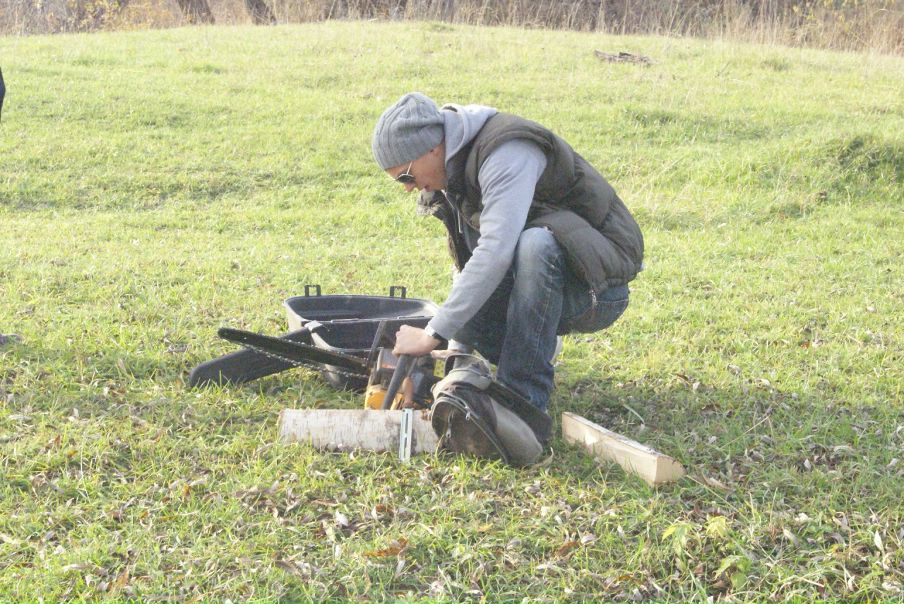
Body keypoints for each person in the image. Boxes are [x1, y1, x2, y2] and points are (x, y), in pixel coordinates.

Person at [371, 92, 644, 417]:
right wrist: (456, 352)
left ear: (432, 148)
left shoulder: (506, 152)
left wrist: (432, 334)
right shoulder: (451, 170)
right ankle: (534, 350)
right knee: (462, 311)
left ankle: (522, 404)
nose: (408, 188)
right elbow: (469, 266)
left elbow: (496, 250)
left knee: (535, 244)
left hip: (597, 288)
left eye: (406, 176)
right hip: (542, 281)